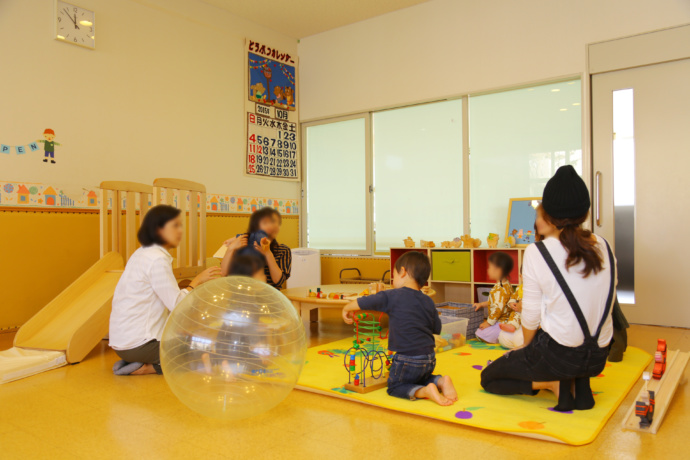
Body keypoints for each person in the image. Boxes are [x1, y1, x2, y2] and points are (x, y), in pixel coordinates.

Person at [481, 165, 617, 412]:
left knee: (489, 377)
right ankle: (577, 383)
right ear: (586, 211)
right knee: (565, 338)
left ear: (549, 214)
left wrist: (524, 351)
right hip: (598, 355)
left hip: (559, 355)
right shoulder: (604, 246)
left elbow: (531, 317)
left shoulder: (538, 251)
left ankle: (553, 381)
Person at [109, 205, 220, 376]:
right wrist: (196, 281)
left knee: (194, 340)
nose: (180, 231)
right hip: (138, 344)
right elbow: (176, 304)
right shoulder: (157, 260)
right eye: (175, 226)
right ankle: (146, 367)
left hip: (124, 343)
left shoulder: (143, 253)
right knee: (205, 351)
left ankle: (135, 361)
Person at [341, 252, 457, 406]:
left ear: (402, 272)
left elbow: (367, 301)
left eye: (393, 275)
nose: (393, 280)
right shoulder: (428, 301)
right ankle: (441, 381)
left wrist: (347, 307)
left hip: (407, 359)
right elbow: (437, 328)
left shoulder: (392, 295)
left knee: (395, 386)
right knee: (419, 377)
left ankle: (425, 391)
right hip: (429, 358)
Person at [221, 207, 291, 289]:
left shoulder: (283, 250)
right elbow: (223, 273)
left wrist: (268, 253)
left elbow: (278, 281)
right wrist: (231, 248)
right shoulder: (241, 245)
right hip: (240, 294)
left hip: (269, 297)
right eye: (265, 223)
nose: (271, 227)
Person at [473, 252, 523, 349]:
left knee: (479, 334)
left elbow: (497, 309)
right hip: (504, 320)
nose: (488, 270)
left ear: (498, 270)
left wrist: (488, 323)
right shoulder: (506, 285)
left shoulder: (500, 289)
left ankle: (498, 334)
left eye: (490, 267)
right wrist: (482, 304)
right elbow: (497, 302)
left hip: (500, 321)